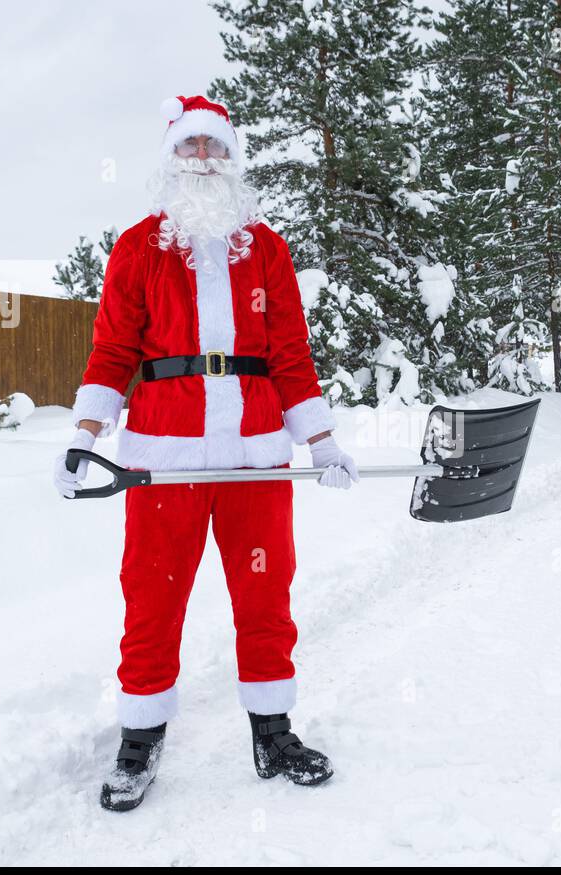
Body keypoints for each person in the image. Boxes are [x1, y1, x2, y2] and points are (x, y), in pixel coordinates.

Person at [52, 95, 359, 811]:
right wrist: (82, 437)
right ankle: (140, 739)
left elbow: (289, 352)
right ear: (170, 160)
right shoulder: (138, 247)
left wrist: (321, 438)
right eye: (189, 147)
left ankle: (272, 732)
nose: (202, 159)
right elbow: (112, 352)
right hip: (164, 459)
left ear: (232, 160)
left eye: (213, 148)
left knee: (265, 594)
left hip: (254, 457)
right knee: (152, 599)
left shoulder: (267, 249)